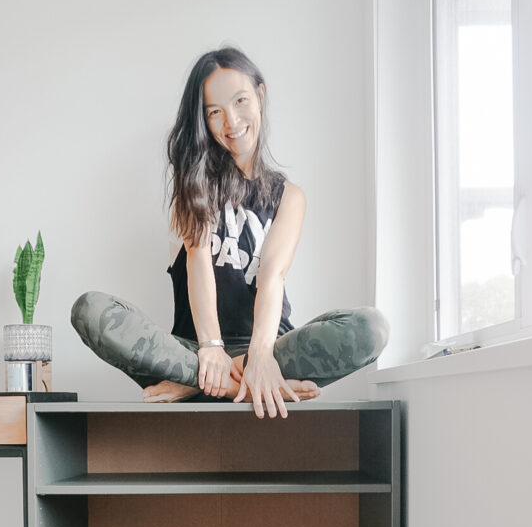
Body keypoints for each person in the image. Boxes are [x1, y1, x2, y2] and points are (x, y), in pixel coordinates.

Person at [71, 46, 389, 419]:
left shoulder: (289, 196)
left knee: (372, 328)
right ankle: (236, 385)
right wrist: (210, 349)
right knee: (90, 310)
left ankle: (212, 384)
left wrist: (260, 355)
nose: (231, 121)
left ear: (260, 95)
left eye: (240, 101)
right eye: (214, 112)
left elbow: (273, 276)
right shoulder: (194, 185)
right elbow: (199, 262)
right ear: (204, 121)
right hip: (195, 352)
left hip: (273, 349)